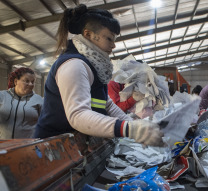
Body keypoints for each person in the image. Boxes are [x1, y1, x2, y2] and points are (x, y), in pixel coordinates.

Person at [34, 4, 164, 147]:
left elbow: (106, 104)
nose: (113, 46)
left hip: (75, 146)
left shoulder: (94, 66)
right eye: (109, 39)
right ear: (88, 34)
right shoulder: (74, 65)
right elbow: (78, 116)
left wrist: (133, 124)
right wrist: (128, 129)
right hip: (54, 150)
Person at [0, 67, 43, 139]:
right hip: (4, 146)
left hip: (27, 146)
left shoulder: (38, 100)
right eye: (26, 81)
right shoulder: (2, 96)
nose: (30, 84)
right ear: (16, 81)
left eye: (32, 82)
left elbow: (45, 123)